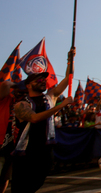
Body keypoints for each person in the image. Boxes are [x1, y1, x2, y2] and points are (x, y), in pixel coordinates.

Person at [12, 48, 74, 192]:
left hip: (45, 149)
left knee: (36, 183)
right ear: (28, 85)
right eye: (38, 79)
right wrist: (61, 106)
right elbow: (34, 118)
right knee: (21, 187)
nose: (42, 81)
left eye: (43, 79)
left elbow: (68, 79)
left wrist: (70, 60)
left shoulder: (50, 97)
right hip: (26, 152)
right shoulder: (22, 104)